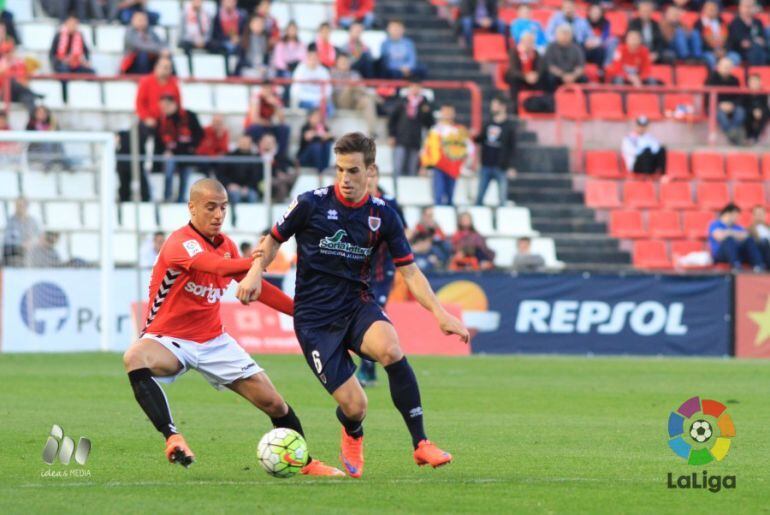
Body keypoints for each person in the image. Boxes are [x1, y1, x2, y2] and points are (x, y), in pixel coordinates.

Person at [236, 133, 469, 478]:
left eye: (354, 171)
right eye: (340, 170)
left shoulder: (383, 216)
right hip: (315, 319)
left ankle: (421, 444)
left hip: (357, 305)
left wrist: (440, 313)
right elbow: (272, 240)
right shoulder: (310, 203)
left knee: (391, 349)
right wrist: (257, 271)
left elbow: (410, 271)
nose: (345, 179)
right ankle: (353, 431)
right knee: (356, 406)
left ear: (370, 171)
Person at [122, 178, 344, 476]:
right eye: (210, 207)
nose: (218, 214)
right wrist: (258, 260)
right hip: (168, 339)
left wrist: (299, 312)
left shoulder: (226, 245)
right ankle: (172, 437)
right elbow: (215, 267)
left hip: (214, 342)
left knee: (275, 404)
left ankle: (304, 462)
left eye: (223, 208)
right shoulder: (180, 242)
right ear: (192, 208)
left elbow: (259, 289)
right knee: (134, 357)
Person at [357, 164, 407, 387]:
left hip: (383, 271)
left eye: (373, 175)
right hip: (360, 272)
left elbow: (403, 231)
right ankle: (368, 369)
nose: (369, 179)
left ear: (377, 176)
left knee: (376, 314)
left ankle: (368, 369)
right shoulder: (355, 204)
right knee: (362, 317)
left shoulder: (390, 204)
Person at [421, 104, 473, 206]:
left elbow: (469, 148)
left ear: (454, 114)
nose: (447, 114)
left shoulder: (459, 130)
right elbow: (427, 148)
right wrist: (425, 165)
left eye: (449, 112)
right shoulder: (435, 130)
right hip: (438, 166)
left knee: (450, 198)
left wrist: (465, 164)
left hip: (454, 167)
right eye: (445, 112)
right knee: (438, 196)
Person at [156, 94, 204, 202]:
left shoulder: (189, 116)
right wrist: (165, 151)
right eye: (162, 107)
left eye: (166, 106)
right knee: (168, 170)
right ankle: (167, 197)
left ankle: (181, 199)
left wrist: (192, 147)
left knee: (185, 177)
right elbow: (158, 141)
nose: (164, 109)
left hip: (187, 154)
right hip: (171, 155)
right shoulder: (162, 120)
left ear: (174, 104)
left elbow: (199, 134)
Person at [387, 79, 434, 176]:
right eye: (413, 87)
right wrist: (392, 135)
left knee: (412, 168)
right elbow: (393, 120)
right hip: (401, 138)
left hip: (416, 140)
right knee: (398, 166)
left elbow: (430, 123)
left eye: (417, 87)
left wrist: (426, 112)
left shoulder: (425, 104)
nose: (415, 89)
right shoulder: (402, 102)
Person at [475, 96, 516, 206]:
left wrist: (510, 166)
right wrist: (474, 136)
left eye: (495, 104)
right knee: (479, 197)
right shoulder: (488, 123)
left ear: (503, 107)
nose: (492, 107)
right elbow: (481, 139)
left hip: (500, 166)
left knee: (502, 198)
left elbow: (512, 147)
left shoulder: (509, 126)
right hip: (486, 164)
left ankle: (503, 220)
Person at [135, 56, 180, 152]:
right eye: (163, 67)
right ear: (156, 67)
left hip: (168, 122)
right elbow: (140, 104)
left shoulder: (173, 84)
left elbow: (178, 104)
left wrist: (172, 111)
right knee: (142, 134)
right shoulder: (146, 81)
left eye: (168, 68)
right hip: (150, 121)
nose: (165, 70)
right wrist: (147, 118)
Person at [331, 53, 378, 136]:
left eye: (346, 61)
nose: (344, 63)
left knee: (367, 101)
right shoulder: (332, 74)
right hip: (341, 100)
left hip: (356, 100)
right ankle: (376, 97)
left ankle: (372, 131)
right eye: (342, 61)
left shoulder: (355, 73)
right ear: (337, 63)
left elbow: (362, 87)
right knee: (351, 85)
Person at [708, 203, 764, 270]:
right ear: (728, 214)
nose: (738, 218)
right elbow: (719, 236)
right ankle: (735, 266)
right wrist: (734, 234)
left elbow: (745, 236)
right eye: (736, 215)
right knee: (729, 240)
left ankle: (758, 265)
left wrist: (728, 232)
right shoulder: (715, 224)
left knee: (749, 241)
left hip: (737, 252)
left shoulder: (737, 227)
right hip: (721, 255)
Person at [705, 57, 746, 144]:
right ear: (718, 67)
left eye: (728, 67)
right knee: (720, 114)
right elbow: (707, 97)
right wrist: (720, 105)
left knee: (740, 111)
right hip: (715, 106)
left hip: (731, 106)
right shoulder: (711, 79)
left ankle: (732, 133)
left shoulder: (735, 80)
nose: (726, 69)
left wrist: (732, 105)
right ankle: (734, 136)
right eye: (724, 66)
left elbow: (739, 97)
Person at [244, 85, 290, 158]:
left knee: (285, 129)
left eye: (269, 89)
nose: (267, 92)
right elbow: (254, 119)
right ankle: (258, 157)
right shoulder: (256, 98)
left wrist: (275, 105)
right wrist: (269, 123)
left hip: (269, 126)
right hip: (258, 127)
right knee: (255, 128)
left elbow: (282, 120)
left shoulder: (275, 99)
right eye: (265, 89)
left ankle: (280, 158)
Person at [540, 24, 586, 93]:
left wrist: (573, 75)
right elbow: (550, 66)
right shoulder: (551, 47)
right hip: (557, 75)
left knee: (584, 79)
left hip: (573, 75)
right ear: (557, 35)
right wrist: (563, 75)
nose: (565, 36)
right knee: (549, 78)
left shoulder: (576, 48)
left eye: (567, 34)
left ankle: (582, 101)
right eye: (563, 33)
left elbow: (580, 66)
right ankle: (551, 100)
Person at [121, 10, 167, 74]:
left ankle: (174, 79)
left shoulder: (150, 31)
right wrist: (159, 50)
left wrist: (164, 50)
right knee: (143, 55)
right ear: (133, 20)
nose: (142, 22)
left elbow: (161, 43)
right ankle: (142, 78)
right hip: (133, 64)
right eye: (140, 20)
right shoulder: (129, 32)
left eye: (144, 20)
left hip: (151, 60)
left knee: (166, 56)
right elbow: (140, 46)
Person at [694, 0, 738, 68]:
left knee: (735, 57)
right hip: (707, 51)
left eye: (714, 9)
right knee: (710, 59)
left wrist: (724, 50)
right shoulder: (698, 24)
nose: (711, 11)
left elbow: (729, 39)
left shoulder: (722, 22)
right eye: (709, 9)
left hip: (723, 50)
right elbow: (699, 42)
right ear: (704, 9)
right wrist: (713, 51)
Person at [218, 134, 261, 203]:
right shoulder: (229, 156)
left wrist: (248, 187)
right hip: (232, 187)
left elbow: (256, 177)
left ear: (250, 144)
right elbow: (221, 175)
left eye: (246, 143)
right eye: (242, 142)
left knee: (253, 196)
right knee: (235, 195)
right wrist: (229, 184)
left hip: (249, 188)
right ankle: (234, 214)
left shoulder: (255, 158)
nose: (244, 144)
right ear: (238, 143)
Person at [291, 46, 333, 116]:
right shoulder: (300, 69)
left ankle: (321, 126)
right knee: (314, 110)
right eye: (311, 58)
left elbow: (329, 89)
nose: (313, 60)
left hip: (320, 100)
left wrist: (321, 99)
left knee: (330, 109)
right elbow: (295, 90)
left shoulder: (323, 71)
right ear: (307, 58)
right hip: (305, 99)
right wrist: (313, 100)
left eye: (315, 58)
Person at [505, 32, 541, 114]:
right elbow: (513, 69)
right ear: (522, 41)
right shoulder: (514, 52)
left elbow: (540, 67)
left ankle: (536, 105)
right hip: (518, 76)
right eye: (527, 41)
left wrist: (536, 75)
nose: (529, 44)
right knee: (513, 79)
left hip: (532, 77)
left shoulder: (535, 53)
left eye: (531, 42)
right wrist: (525, 76)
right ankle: (514, 107)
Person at [210, 0, 248, 75]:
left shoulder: (241, 16)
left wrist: (238, 38)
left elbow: (245, 32)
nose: (229, 3)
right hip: (223, 43)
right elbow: (215, 35)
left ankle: (237, 72)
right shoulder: (217, 17)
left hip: (238, 43)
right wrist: (228, 39)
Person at [257, 132, 297, 202]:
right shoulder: (256, 157)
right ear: (261, 143)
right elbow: (256, 174)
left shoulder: (279, 156)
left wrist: (282, 174)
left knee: (291, 176)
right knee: (281, 183)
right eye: (266, 142)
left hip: (280, 180)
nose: (268, 144)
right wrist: (276, 174)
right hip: (263, 181)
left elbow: (287, 166)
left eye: (270, 142)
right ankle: (281, 204)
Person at [727, 0, 767, 66]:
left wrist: (752, 41)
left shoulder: (758, 22)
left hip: (758, 50)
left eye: (751, 6)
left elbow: (762, 39)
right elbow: (741, 42)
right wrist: (755, 40)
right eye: (746, 6)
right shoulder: (735, 23)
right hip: (739, 51)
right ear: (740, 7)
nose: (748, 9)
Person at [3, 197, 40, 266]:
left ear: (26, 206)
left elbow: (38, 237)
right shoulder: (11, 221)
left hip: (32, 252)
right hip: (17, 253)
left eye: (20, 205)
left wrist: (31, 243)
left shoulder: (33, 221)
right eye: (17, 206)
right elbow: (7, 240)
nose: (18, 208)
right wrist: (21, 245)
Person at [297, 109, 334, 174]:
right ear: (309, 118)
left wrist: (323, 134)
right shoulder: (305, 127)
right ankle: (320, 172)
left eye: (318, 117)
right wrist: (320, 134)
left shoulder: (324, 127)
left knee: (327, 144)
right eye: (315, 117)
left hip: (320, 159)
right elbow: (307, 137)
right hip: (305, 158)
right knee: (316, 146)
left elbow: (331, 137)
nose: (317, 119)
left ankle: (324, 168)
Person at [585, 3, 618, 67]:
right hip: (587, 44)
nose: (595, 14)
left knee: (613, 41)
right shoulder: (584, 21)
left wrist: (596, 42)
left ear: (601, 13)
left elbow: (605, 36)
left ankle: (604, 67)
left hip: (599, 44)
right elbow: (583, 35)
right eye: (593, 12)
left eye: (597, 12)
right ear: (589, 12)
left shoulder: (605, 22)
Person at [744, 73, 770, 143]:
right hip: (749, 112)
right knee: (744, 114)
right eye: (752, 81)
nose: (754, 83)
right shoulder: (744, 93)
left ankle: (756, 137)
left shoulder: (764, 93)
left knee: (765, 113)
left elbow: (765, 105)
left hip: (761, 112)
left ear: (760, 82)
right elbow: (743, 105)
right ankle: (749, 136)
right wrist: (753, 111)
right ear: (748, 83)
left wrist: (759, 110)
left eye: (756, 81)